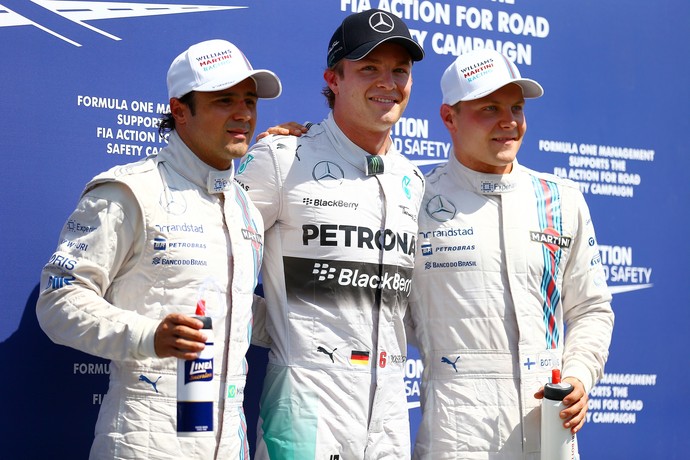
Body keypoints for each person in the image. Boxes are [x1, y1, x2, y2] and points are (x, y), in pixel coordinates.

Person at [35, 39, 281, 459]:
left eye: (250, 100)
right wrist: (150, 336)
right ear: (180, 110)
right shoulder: (129, 190)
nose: (243, 113)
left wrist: (316, 327)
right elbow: (59, 301)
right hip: (145, 439)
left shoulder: (244, 207)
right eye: (224, 100)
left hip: (227, 440)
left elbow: (239, 311)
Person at [235, 9, 425, 460]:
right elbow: (218, 267)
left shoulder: (413, 180)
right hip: (305, 404)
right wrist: (283, 328)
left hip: (390, 413)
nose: (388, 82)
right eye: (369, 69)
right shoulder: (281, 159)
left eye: (400, 70)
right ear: (334, 79)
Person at [408, 48, 615, 459]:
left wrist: (578, 377)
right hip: (457, 436)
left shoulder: (561, 199)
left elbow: (592, 309)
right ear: (449, 117)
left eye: (516, 108)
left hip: (549, 429)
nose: (509, 122)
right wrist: (305, 138)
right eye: (489, 108)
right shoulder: (413, 196)